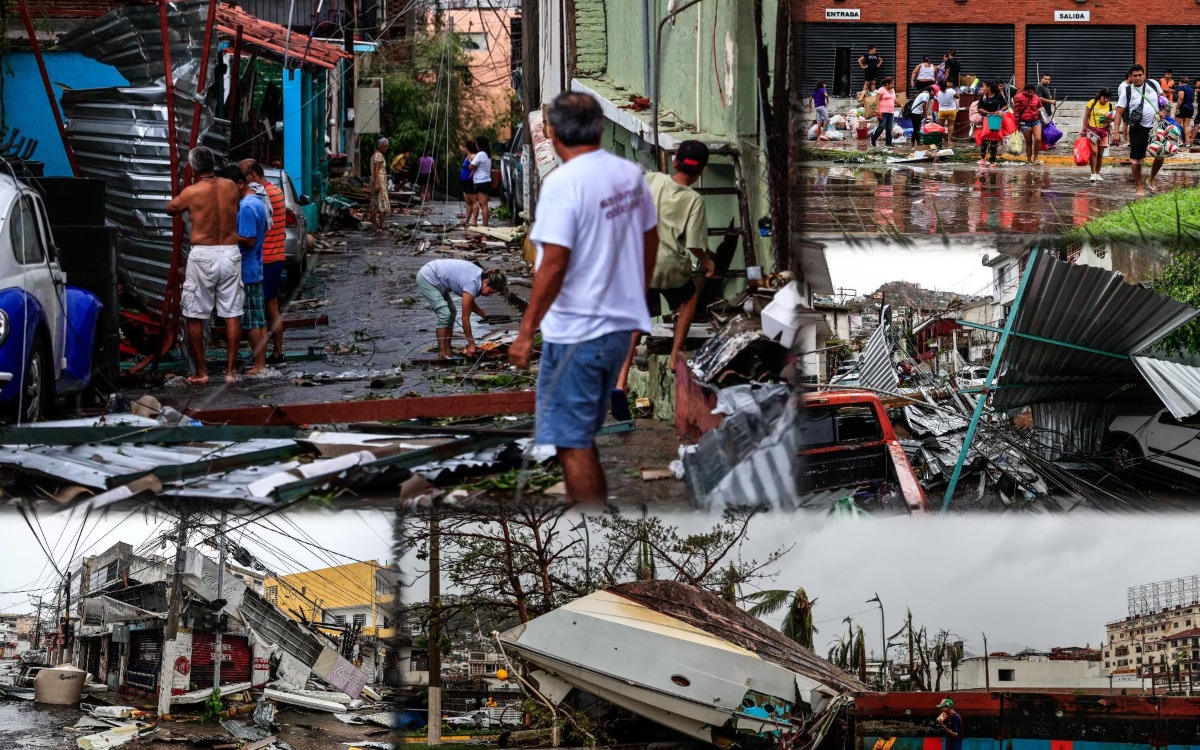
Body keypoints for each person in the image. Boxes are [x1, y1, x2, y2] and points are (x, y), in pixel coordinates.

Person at [509, 91, 658, 504]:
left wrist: (525, 333)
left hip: (577, 333)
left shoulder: (563, 183)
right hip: (616, 331)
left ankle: (590, 532)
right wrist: (633, 301)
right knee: (583, 437)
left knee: (572, 442)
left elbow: (553, 262)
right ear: (600, 127)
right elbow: (650, 244)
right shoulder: (630, 176)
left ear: (552, 133)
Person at [613, 140, 715, 420]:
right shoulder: (694, 199)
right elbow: (695, 245)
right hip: (670, 266)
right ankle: (674, 355)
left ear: (673, 162)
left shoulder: (650, 180)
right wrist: (707, 263)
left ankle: (620, 384)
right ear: (702, 171)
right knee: (690, 297)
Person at [166, 146, 242, 385]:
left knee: (195, 315)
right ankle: (230, 372)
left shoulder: (191, 192)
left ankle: (201, 372)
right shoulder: (230, 186)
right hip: (230, 253)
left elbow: (171, 209)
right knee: (232, 314)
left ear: (192, 167)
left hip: (203, 254)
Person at [220, 165, 269, 376]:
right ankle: (260, 362)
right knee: (257, 318)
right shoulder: (256, 201)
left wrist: (228, 234)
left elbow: (248, 240)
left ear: (240, 184)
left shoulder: (248, 207)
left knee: (251, 321)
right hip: (254, 266)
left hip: (247, 268)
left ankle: (259, 364)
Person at [239, 158, 288, 365]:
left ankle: (267, 356)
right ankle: (276, 353)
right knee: (272, 307)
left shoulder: (260, 196)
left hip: (264, 258)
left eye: (243, 176)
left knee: (262, 311)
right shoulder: (276, 192)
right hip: (276, 256)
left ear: (252, 176)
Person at [416, 259, 506, 359]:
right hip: (428, 278)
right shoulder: (472, 283)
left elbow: (469, 302)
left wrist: (484, 315)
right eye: (490, 291)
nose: (490, 295)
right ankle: (442, 354)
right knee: (444, 314)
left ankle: (448, 350)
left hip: (439, 279)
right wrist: (471, 344)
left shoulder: (480, 278)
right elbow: (465, 319)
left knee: (452, 312)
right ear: (486, 282)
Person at [1114, 64, 1167, 195]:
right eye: (1134, 76)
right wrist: (1116, 132)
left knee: (1160, 155)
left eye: (1140, 75)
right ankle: (1138, 186)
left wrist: (1164, 111)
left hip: (1156, 126)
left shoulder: (1153, 84)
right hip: (1137, 128)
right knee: (1136, 159)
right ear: (1130, 77)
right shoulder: (1127, 91)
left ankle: (1151, 178)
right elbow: (1119, 112)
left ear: (1144, 75)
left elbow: (1164, 100)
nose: (1138, 78)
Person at [1082, 88, 1114, 181]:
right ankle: (1092, 173)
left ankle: (1097, 173)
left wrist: (1108, 120)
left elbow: (1112, 120)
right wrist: (1084, 128)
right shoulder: (1092, 103)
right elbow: (1086, 116)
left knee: (1100, 154)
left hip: (1104, 132)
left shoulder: (1111, 106)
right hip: (1092, 130)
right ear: (1100, 96)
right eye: (1104, 98)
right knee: (1094, 152)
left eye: (1108, 98)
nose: (1106, 100)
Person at [977, 80, 1008, 167]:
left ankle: (992, 161)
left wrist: (1000, 111)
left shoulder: (998, 96)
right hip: (986, 119)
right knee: (984, 139)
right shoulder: (983, 97)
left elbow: (1006, 105)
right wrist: (989, 113)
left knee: (994, 139)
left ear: (988, 87)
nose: (982, 88)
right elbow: (979, 108)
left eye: (983, 87)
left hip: (996, 119)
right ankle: (983, 158)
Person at [1012, 83, 1044, 165]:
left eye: (1032, 92)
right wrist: (1016, 123)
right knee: (1028, 142)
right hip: (1024, 122)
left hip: (1036, 121)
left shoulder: (1036, 98)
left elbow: (1040, 108)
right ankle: (1029, 160)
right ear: (1024, 91)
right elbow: (1016, 112)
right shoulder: (1018, 97)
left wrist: (1043, 119)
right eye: (1028, 92)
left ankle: (1036, 158)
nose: (1030, 94)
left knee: (1038, 139)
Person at [467, 136, 493, 228]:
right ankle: (485, 224)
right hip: (486, 180)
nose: (476, 145)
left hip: (481, 181)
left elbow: (471, 166)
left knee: (483, 204)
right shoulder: (487, 154)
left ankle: (485, 225)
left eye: (477, 143)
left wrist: (470, 162)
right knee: (484, 204)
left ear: (479, 144)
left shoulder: (480, 154)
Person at [370, 137, 391, 231]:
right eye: (385, 146)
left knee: (375, 202)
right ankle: (382, 223)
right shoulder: (378, 156)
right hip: (379, 180)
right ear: (380, 146)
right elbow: (376, 169)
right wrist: (378, 183)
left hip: (376, 180)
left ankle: (374, 224)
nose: (386, 148)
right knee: (381, 201)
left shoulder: (375, 155)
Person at [871, 78, 897, 148]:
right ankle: (873, 139)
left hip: (890, 112)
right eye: (891, 84)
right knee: (882, 126)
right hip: (882, 111)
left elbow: (894, 100)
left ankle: (888, 143)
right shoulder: (881, 89)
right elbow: (877, 99)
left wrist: (901, 104)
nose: (893, 85)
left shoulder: (893, 90)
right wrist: (877, 109)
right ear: (887, 84)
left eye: (893, 84)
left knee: (889, 128)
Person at [459, 140, 478, 225]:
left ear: (468, 147)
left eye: (465, 146)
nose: (464, 148)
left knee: (473, 201)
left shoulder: (473, 156)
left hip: (469, 180)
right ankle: (467, 219)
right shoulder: (468, 156)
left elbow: (475, 166)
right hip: (464, 181)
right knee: (468, 201)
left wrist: (471, 175)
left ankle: (474, 221)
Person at [1177, 76, 1195, 147]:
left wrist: (1177, 108)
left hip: (1183, 108)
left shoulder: (1181, 88)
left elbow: (1181, 98)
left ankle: (1179, 141)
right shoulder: (1191, 89)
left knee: (1176, 125)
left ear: (1180, 82)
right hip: (1190, 108)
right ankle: (1187, 142)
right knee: (1186, 125)